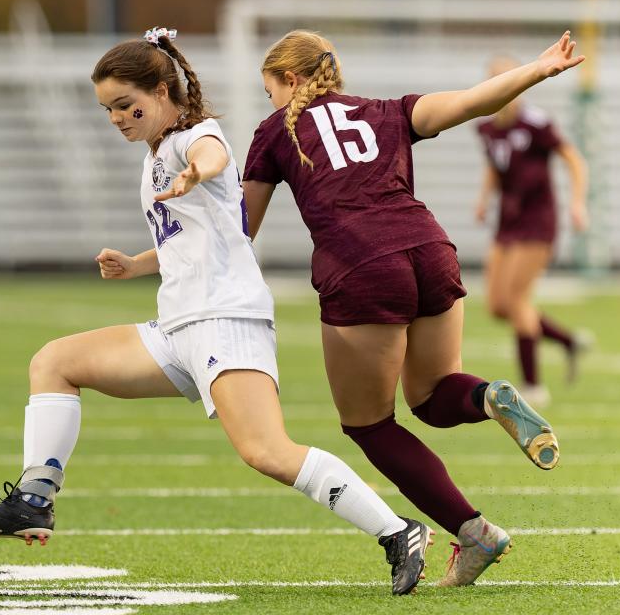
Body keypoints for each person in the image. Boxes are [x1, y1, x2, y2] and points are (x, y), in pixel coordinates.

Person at [0, 27, 432, 596]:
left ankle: (398, 531)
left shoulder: (191, 137)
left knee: (266, 451)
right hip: (178, 326)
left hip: (224, 321)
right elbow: (202, 235)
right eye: (107, 110)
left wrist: (199, 169)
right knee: (54, 362)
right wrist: (136, 264)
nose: (117, 119)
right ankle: (33, 501)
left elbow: (214, 152)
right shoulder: (157, 152)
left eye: (126, 106)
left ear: (161, 90)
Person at [242, 29, 583, 587]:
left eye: (270, 89)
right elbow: (473, 101)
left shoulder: (274, 131)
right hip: (429, 248)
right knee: (431, 392)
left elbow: (242, 230)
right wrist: (537, 70)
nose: (272, 101)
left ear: (292, 79)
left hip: (360, 264)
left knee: (369, 424)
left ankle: (474, 532)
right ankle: (485, 396)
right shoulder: (386, 111)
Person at [476, 55, 590, 407]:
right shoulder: (488, 127)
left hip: (538, 221)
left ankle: (533, 386)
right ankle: (568, 341)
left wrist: (577, 202)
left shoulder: (536, 123)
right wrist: (483, 199)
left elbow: (573, 158)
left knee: (516, 299)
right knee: (497, 305)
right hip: (508, 223)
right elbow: (497, 166)